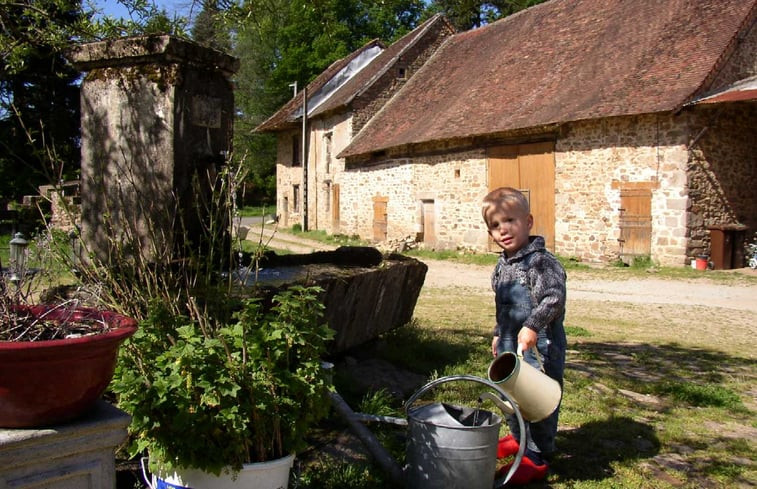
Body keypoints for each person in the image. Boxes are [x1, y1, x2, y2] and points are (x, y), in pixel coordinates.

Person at [482, 187, 567, 485]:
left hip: (538, 345)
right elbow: (502, 305)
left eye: (509, 220)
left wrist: (532, 325)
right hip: (510, 342)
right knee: (511, 397)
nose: (503, 230)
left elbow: (553, 299)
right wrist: (498, 333)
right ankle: (519, 438)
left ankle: (537, 456)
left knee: (537, 399)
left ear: (528, 221)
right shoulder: (501, 266)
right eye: (494, 225)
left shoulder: (541, 262)